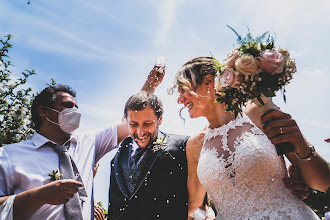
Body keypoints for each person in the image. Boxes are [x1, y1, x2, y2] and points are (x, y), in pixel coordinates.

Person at [170, 56, 330, 219]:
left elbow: (323, 183)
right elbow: (193, 202)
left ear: (208, 82)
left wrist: (302, 145)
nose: (179, 99)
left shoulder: (258, 111)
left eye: (183, 90)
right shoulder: (195, 144)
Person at [0, 85, 129, 220]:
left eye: (76, 107)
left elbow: (130, 122)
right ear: (43, 111)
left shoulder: (88, 143)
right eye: (67, 105)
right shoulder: (8, 156)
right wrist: (39, 196)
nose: (75, 111)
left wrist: (151, 83)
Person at [107, 91, 189, 220]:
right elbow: (114, 206)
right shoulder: (116, 158)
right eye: (133, 124)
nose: (140, 132)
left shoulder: (182, 146)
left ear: (159, 119)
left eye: (147, 124)